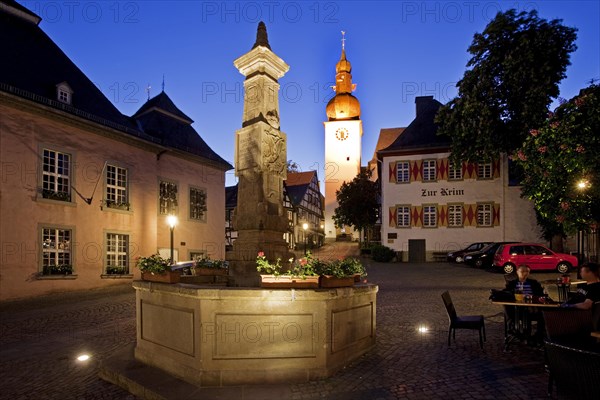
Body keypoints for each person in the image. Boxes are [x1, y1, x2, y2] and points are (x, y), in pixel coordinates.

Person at [504, 265, 545, 344]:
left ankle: (538, 335)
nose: (525, 273)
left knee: (543, 313)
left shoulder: (534, 283)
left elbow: (540, 294)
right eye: (522, 271)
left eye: (527, 271)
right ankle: (514, 332)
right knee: (507, 307)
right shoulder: (512, 284)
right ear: (517, 272)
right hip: (516, 308)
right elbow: (506, 294)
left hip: (532, 308)